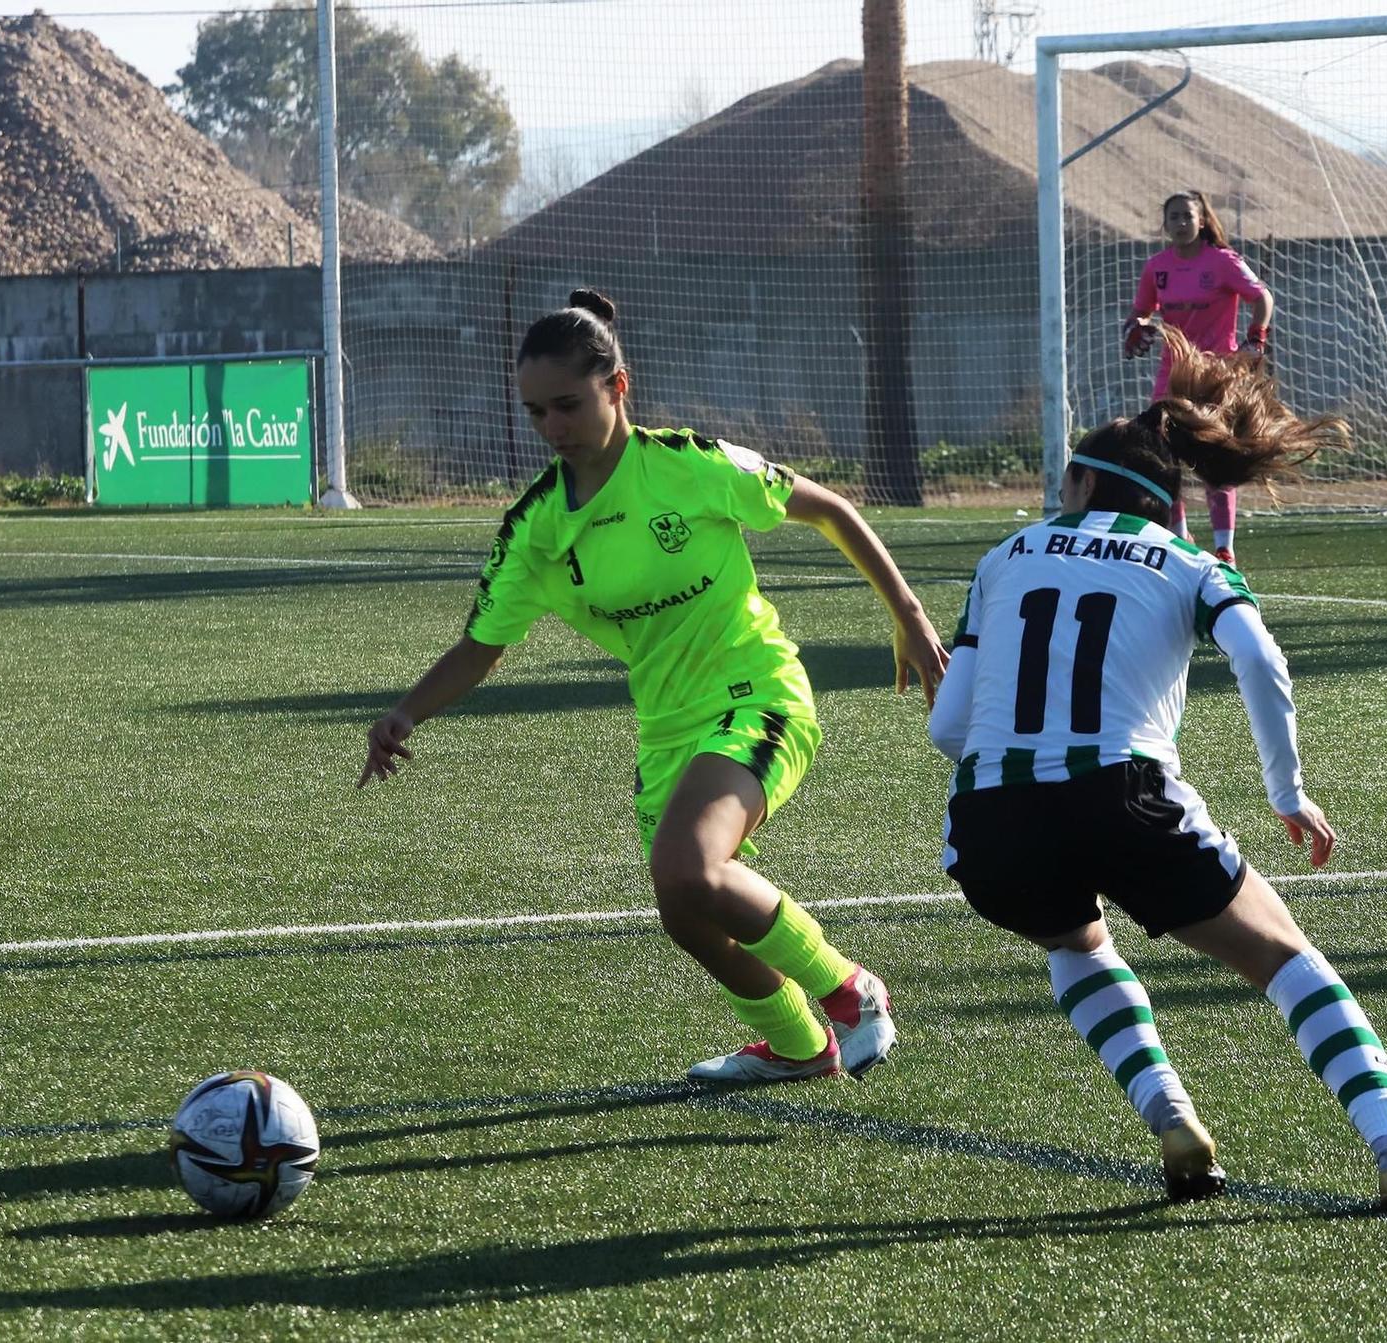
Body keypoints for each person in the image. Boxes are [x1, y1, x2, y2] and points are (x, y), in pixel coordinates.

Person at [926, 328, 1387, 1209]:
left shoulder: (1002, 558)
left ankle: (1169, 1111)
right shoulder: (1190, 561)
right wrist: (1288, 792)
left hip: (990, 819)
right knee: (1289, 960)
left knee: (1075, 944)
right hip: (1123, 790)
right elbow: (1262, 660)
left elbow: (947, 728)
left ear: (1082, 482)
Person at [359, 287, 948, 1086]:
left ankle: (850, 988)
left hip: (758, 689)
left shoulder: (687, 465)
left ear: (618, 387)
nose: (552, 428)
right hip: (670, 726)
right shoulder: (537, 527)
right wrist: (404, 712)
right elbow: (480, 646)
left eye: (567, 405)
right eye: (535, 413)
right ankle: (798, 1046)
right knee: (685, 910)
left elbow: (831, 509)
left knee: (687, 865)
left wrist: (909, 617)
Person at [1122, 189, 1275, 566]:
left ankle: (1225, 548)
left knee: (1214, 458)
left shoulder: (1222, 262)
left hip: (1215, 376)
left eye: (1187, 216)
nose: (1180, 222)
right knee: (1164, 456)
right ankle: (1179, 537)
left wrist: (1256, 339)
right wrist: (1136, 329)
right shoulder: (1157, 267)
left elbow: (1262, 298)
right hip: (1171, 375)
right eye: (1173, 217)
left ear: (1202, 220)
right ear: (1166, 224)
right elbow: (1141, 312)